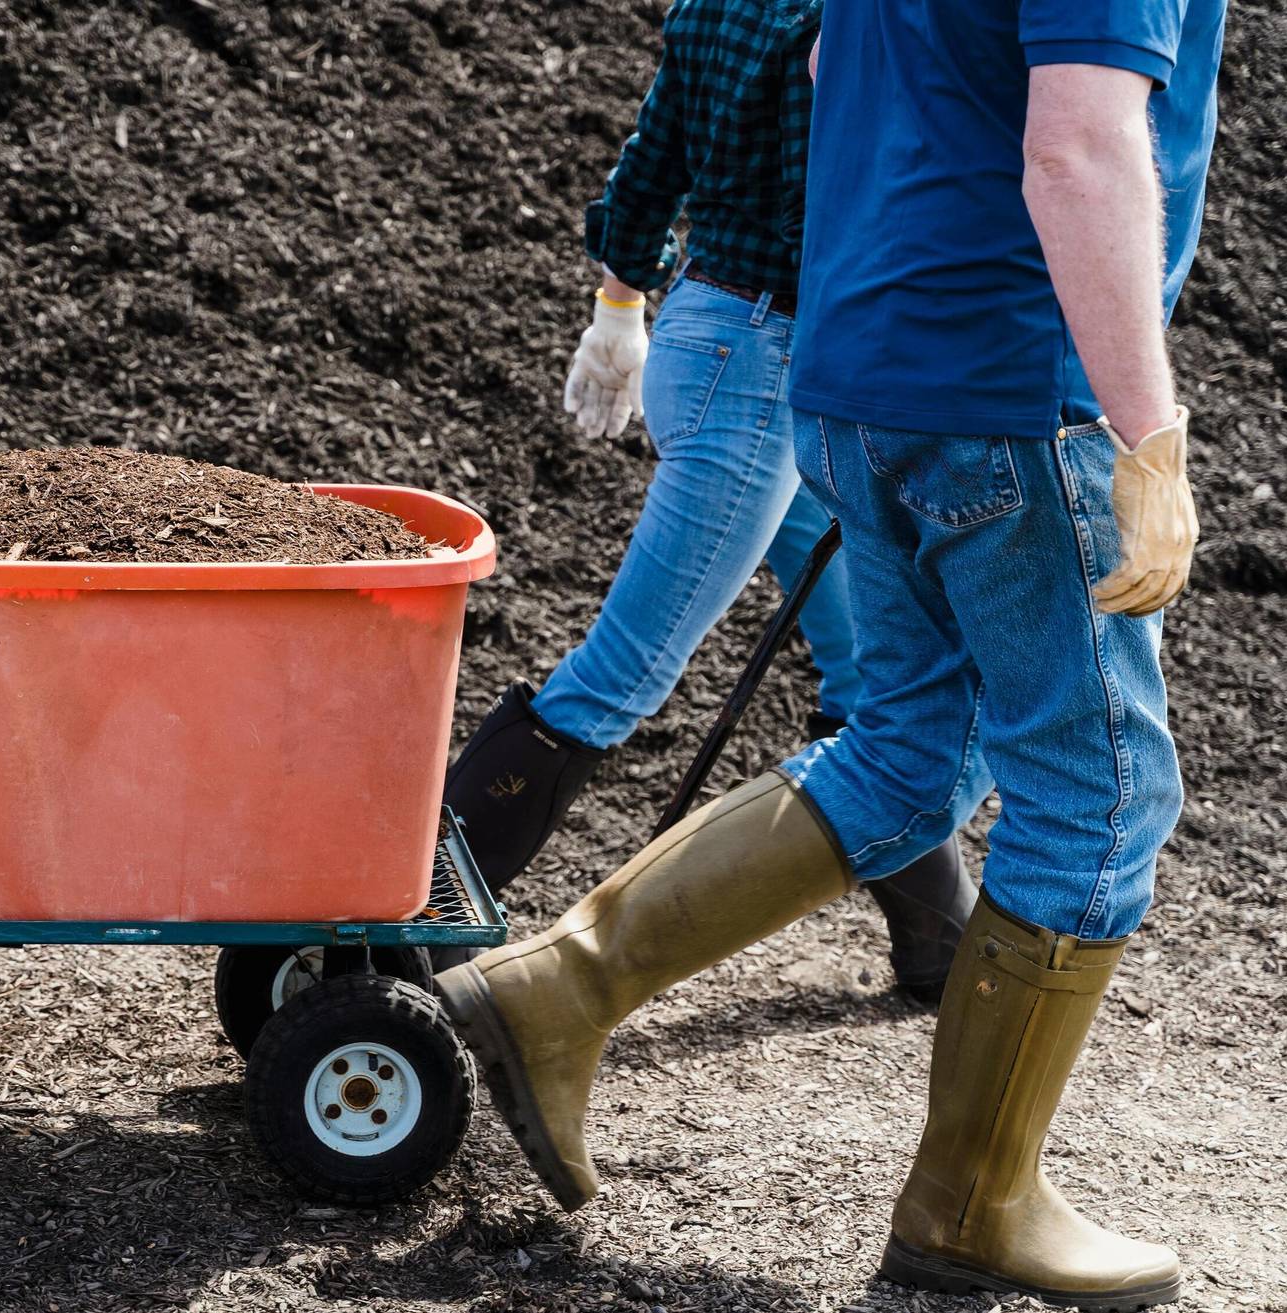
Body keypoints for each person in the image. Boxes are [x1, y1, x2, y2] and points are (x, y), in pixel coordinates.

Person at [437, 0, 1224, 1307]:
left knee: (906, 755)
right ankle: (973, 1205)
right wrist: (1149, 438)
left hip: (862, 373)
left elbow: (827, 65)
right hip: (1015, 392)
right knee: (1101, 798)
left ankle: (555, 989)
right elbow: (1079, 149)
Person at [439, 0, 973, 1004]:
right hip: (768, 367)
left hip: (710, 333)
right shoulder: (860, 20)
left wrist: (617, 310)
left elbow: (651, 161)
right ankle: (403, 935)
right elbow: (850, 201)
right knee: (625, 669)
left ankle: (940, 944)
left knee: (872, 673)